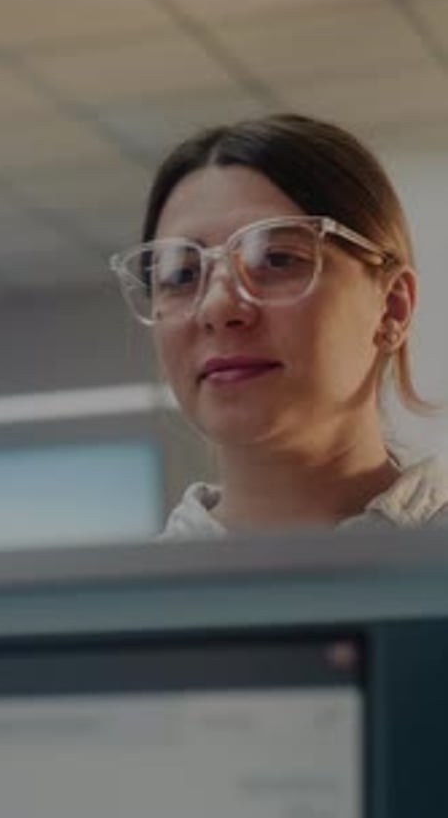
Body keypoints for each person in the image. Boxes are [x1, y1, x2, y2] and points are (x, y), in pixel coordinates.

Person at [110, 113, 448, 538]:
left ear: (392, 308)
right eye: (182, 275)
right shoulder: (135, 598)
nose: (217, 307)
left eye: (277, 259)